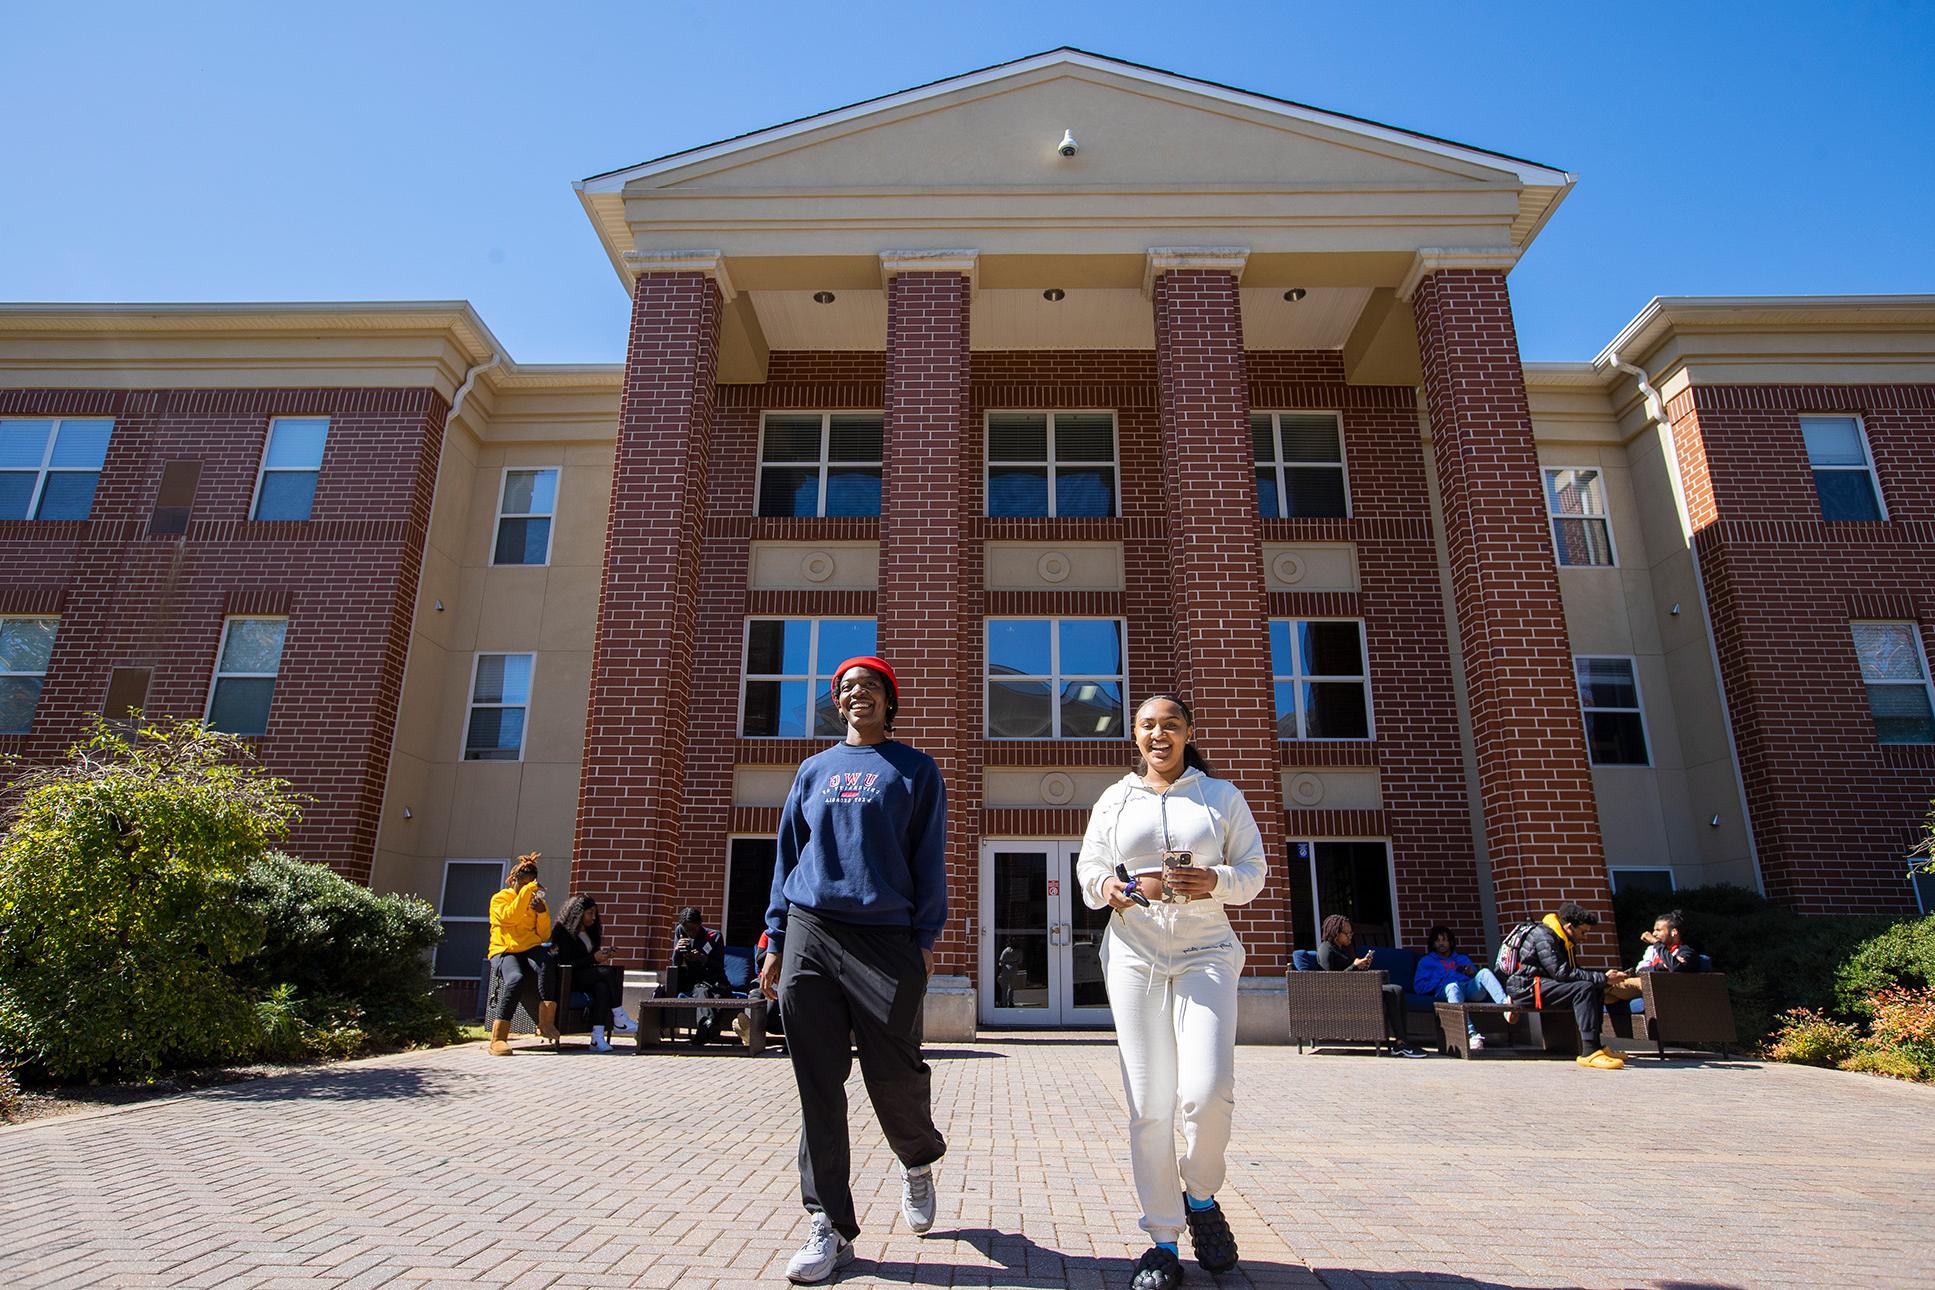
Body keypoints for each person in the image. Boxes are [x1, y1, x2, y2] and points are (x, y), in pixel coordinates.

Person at [759, 654, 948, 1284]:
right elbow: (788, 855)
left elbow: (928, 857)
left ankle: (916, 1159)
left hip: (887, 937)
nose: (855, 694)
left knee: (893, 1073)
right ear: (837, 703)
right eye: (845, 688)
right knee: (817, 1081)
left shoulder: (915, 769)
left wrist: (924, 939)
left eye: (868, 686)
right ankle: (830, 1224)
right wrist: (775, 938)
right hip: (812, 928)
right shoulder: (813, 771)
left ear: (890, 700)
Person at [1078, 693, 1267, 1290]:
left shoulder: (1220, 797)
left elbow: (1255, 872)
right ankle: (1162, 1240)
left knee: (1207, 1093)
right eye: (1147, 727)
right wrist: (1111, 887)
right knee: (1149, 1104)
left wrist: (1214, 879)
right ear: (1135, 735)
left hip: (1205, 953)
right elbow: (1089, 872)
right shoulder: (1115, 799)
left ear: (1188, 731)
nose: (1159, 736)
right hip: (1134, 955)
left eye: (1171, 725)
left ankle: (1202, 1197)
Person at [1502, 900, 1631, 1070]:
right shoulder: (1545, 937)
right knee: (1584, 988)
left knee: (1594, 986)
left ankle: (1597, 1046)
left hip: (1543, 984)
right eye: (1583, 932)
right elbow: (1561, 973)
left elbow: (1572, 971)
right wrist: (1602, 977)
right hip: (1526, 987)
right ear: (1570, 926)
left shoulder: (1563, 938)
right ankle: (1589, 1052)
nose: (1585, 937)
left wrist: (1603, 978)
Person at [1315, 914, 1426, 1058]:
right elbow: (1330, 981)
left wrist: (1362, 965)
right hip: (1341, 995)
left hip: (1356, 988)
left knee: (1397, 989)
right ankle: (1401, 1044)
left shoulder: (1345, 948)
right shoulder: (1326, 950)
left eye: (1351, 933)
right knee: (1392, 992)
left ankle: (1401, 1041)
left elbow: (1350, 970)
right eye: (1347, 933)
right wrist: (1354, 966)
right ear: (1335, 933)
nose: (1350, 936)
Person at [547, 895, 637, 1052]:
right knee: (607, 972)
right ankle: (620, 1017)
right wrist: (592, 958)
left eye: (595, 913)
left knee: (602, 987)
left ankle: (597, 1038)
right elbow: (566, 963)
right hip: (569, 978)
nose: (594, 918)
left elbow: (589, 959)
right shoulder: (564, 933)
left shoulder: (590, 932)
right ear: (578, 914)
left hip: (586, 976)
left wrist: (602, 956)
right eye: (590, 913)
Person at [485, 852, 554, 1056]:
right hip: (505, 949)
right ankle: (498, 1038)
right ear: (513, 880)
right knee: (516, 978)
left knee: (547, 964)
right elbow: (510, 919)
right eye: (524, 883)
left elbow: (543, 935)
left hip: (529, 947)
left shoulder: (533, 900)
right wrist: (526, 894)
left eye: (531, 883)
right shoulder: (500, 899)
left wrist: (542, 912)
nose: (528, 888)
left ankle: (546, 1023)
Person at [1413, 925, 1511, 1051]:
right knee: (1453, 987)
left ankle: (1506, 1008)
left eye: (1444, 940)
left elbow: (1477, 978)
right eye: (1438, 941)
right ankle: (1471, 1035)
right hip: (1447, 990)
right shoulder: (1426, 962)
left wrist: (1472, 973)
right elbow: (1419, 987)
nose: (1441, 943)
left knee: (1485, 972)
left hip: (1469, 988)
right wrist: (1441, 979)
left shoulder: (1461, 958)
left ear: (1451, 942)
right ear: (1433, 944)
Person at [657, 906, 730, 1045]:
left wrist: (702, 958)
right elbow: (676, 964)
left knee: (704, 990)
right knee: (666, 990)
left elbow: (718, 965)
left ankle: (704, 1029)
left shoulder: (714, 936)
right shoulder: (680, 932)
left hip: (714, 979)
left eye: (693, 929)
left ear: (700, 924)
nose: (690, 933)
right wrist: (677, 950)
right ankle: (654, 1026)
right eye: (687, 930)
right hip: (693, 979)